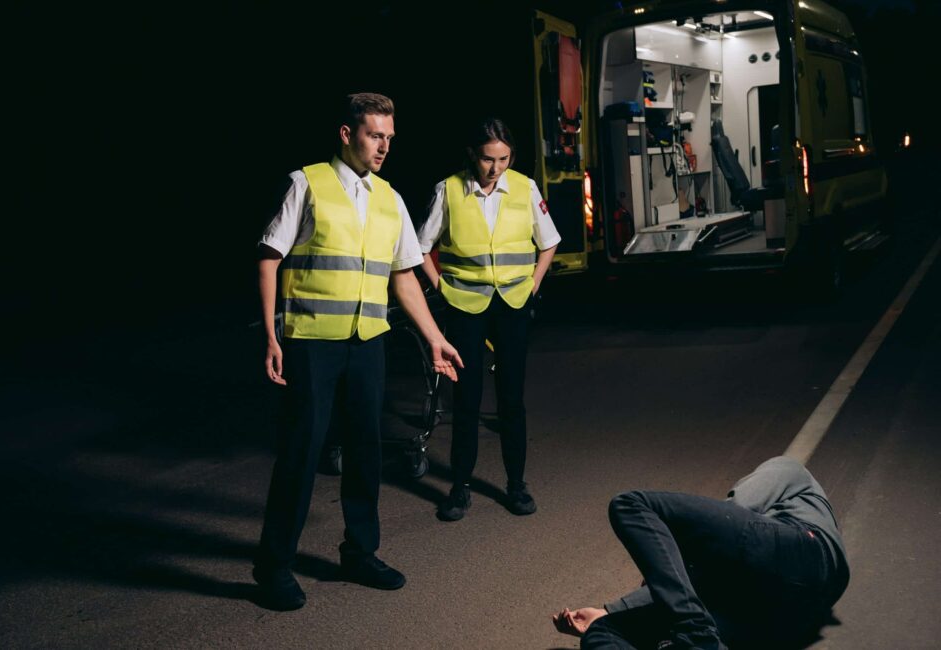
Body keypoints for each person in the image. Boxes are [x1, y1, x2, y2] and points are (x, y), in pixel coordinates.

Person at [253, 92, 463, 611]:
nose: (384, 146)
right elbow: (268, 259)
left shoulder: (390, 198)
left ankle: (360, 552)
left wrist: (435, 337)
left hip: (368, 343)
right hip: (312, 343)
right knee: (302, 451)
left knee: (366, 450)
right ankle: (274, 565)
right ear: (347, 134)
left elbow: (405, 277)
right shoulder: (307, 184)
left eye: (390, 138)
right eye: (375, 135)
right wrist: (271, 335)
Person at [553, 456, 850, 649]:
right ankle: (696, 636)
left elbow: (737, 508)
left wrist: (680, 549)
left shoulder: (791, 470)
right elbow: (685, 588)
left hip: (807, 553)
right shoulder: (739, 568)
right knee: (602, 631)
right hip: (777, 615)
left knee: (630, 505)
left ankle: (699, 635)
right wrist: (610, 611)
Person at [418, 117, 560, 521]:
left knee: (512, 399)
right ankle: (459, 488)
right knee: (466, 398)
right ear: (472, 155)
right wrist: (442, 288)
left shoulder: (525, 188)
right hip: (465, 305)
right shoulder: (448, 190)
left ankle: (516, 485)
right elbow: (421, 247)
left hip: (513, 304)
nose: (495, 168)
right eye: (487, 159)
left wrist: (532, 284)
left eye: (503, 158)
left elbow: (548, 242)